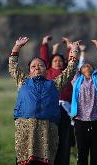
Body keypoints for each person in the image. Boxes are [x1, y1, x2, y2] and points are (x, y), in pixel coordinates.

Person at [9, 37, 79, 165]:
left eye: (40, 65)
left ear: (46, 70)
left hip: (48, 127)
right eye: (33, 66)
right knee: (25, 161)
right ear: (29, 71)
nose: (37, 68)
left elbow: (70, 71)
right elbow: (13, 65)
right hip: (25, 127)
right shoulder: (22, 81)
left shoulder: (54, 84)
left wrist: (73, 51)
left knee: (45, 161)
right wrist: (17, 46)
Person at [70, 40, 97, 165]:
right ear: (80, 70)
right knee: (82, 154)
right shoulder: (76, 81)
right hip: (80, 121)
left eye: (89, 65)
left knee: (96, 155)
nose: (86, 65)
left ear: (93, 69)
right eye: (84, 65)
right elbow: (72, 64)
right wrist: (75, 48)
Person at [39, 36, 77, 165]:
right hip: (50, 110)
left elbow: (71, 61)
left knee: (64, 141)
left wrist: (69, 46)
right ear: (51, 63)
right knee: (49, 141)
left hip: (65, 110)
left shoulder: (67, 72)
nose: (58, 62)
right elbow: (44, 58)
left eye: (60, 61)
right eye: (55, 60)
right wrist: (45, 43)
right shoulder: (47, 72)